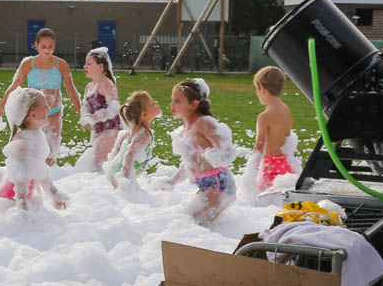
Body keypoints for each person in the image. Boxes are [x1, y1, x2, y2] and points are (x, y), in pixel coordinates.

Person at [0, 28, 80, 164]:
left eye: (50, 46)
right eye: (43, 46)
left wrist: (81, 112)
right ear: (36, 45)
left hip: (54, 111)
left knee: (51, 152)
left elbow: (71, 90)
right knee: (30, 150)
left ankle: (49, 172)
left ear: (54, 45)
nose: (47, 50)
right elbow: (13, 87)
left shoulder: (61, 65)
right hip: (33, 113)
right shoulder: (28, 64)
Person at [169, 78, 235, 226]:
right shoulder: (185, 128)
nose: (171, 105)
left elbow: (228, 151)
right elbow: (190, 161)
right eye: (172, 100)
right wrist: (173, 181)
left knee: (190, 224)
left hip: (219, 184)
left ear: (194, 104)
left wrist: (216, 157)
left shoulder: (203, 122)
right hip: (206, 184)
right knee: (186, 221)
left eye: (177, 101)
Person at [0, 86, 67, 211]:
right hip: (9, 199)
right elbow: (20, 177)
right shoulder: (23, 143)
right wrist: (22, 206)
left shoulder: (36, 135)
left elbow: (40, 171)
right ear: (33, 114)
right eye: (45, 107)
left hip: (22, 198)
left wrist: (55, 194)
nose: (49, 109)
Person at [245, 66, 300, 204]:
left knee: (262, 202)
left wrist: (252, 168)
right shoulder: (286, 109)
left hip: (270, 166)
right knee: (282, 202)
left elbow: (260, 145)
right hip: (286, 164)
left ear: (262, 88)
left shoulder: (264, 116)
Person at [78, 47, 123, 171]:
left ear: (100, 66)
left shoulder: (106, 84)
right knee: (95, 164)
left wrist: (95, 117)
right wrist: (85, 117)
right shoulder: (89, 86)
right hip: (98, 130)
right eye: (85, 63)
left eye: (89, 64)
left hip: (111, 129)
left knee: (101, 165)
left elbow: (115, 107)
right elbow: (85, 106)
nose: (85, 66)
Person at [104, 91, 160, 187]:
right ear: (144, 114)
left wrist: (111, 163)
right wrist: (125, 178)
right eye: (152, 103)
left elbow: (119, 146)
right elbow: (130, 156)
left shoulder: (135, 130)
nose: (156, 102)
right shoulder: (143, 135)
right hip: (120, 174)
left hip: (115, 170)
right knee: (125, 194)